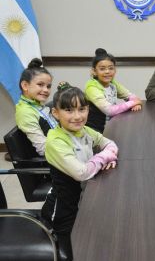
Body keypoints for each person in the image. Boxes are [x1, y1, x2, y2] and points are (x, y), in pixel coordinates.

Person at [41, 82, 118, 259]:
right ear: (56, 113)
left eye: (82, 109)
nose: (77, 116)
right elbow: (82, 173)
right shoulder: (56, 141)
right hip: (63, 209)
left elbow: (110, 143)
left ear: (88, 109)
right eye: (69, 110)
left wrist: (108, 153)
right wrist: (104, 157)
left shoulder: (85, 131)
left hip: (84, 199)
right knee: (78, 252)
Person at [85, 48, 142, 133]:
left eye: (111, 68)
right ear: (94, 71)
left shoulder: (112, 84)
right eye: (102, 69)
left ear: (115, 70)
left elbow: (130, 95)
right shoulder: (91, 87)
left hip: (111, 126)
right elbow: (109, 111)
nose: (107, 71)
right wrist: (134, 103)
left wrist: (135, 102)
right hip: (95, 130)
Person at [15, 58, 57, 156]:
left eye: (48, 86)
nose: (46, 90)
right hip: (53, 159)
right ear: (25, 85)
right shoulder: (25, 112)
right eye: (40, 85)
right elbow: (43, 148)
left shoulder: (37, 105)